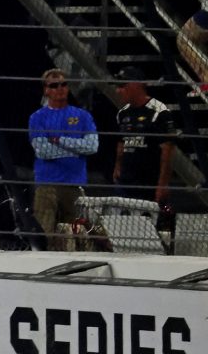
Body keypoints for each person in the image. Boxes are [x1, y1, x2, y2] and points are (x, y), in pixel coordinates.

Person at [29, 68, 98, 249]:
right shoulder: (37, 118)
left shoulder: (82, 116)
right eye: (54, 85)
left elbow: (92, 147)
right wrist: (76, 150)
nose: (60, 88)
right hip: (47, 184)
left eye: (63, 84)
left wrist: (60, 140)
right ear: (46, 90)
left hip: (74, 183)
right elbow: (43, 151)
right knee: (44, 233)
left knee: (77, 233)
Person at [113, 80, 177, 207]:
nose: (118, 91)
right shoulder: (123, 113)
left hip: (149, 182)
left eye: (122, 86)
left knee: (149, 216)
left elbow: (168, 149)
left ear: (136, 85)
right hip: (125, 180)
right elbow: (121, 142)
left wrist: (163, 183)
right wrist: (117, 166)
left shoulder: (159, 111)